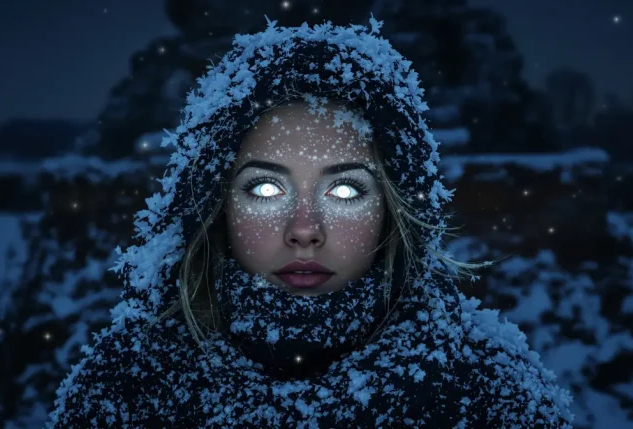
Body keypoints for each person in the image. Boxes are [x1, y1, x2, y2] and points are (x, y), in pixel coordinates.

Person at [48, 16, 574, 428]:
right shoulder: (125, 389)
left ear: (394, 208)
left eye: (345, 189)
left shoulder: (491, 394)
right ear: (216, 204)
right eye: (266, 188)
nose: (304, 229)